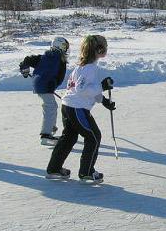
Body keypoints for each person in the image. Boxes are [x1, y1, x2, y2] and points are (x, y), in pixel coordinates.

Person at [46, 35, 115, 183]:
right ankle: (87, 172)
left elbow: (88, 90)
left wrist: (103, 101)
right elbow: (82, 89)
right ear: (99, 50)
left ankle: (54, 169)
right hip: (77, 109)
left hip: (69, 106)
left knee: (69, 138)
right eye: (105, 47)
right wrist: (102, 86)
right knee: (94, 137)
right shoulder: (89, 68)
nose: (106, 49)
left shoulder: (83, 66)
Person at [19, 37, 69, 145]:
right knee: (50, 106)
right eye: (64, 47)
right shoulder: (55, 57)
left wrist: (24, 68)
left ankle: (50, 127)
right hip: (44, 85)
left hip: (42, 84)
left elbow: (28, 60)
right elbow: (56, 74)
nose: (66, 49)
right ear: (59, 46)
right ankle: (46, 135)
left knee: (51, 105)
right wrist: (51, 82)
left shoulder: (47, 56)